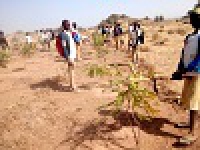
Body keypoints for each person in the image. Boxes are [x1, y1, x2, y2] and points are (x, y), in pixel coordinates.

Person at [172, 4, 200, 145]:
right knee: (189, 99)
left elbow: (199, 58)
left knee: (194, 102)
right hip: (189, 73)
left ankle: (193, 133)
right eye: (191, 17)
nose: (191, 19)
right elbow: (184, 54)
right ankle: (190, 124)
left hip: (197, 74)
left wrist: (190, 71)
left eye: (194, 17)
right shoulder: (190, 36)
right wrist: (179, 69)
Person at [59, 20, 77, 91]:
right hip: (69, 55)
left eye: (69, 24)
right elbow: (64, 46)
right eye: (68, 25)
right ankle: (72, 86)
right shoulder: (63, 34)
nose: (69, 26)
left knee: (72, 69)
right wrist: (67, 57)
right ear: (64, 26)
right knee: (71, 69)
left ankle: (72, 85)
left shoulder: (69, 33)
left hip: (72, 54)